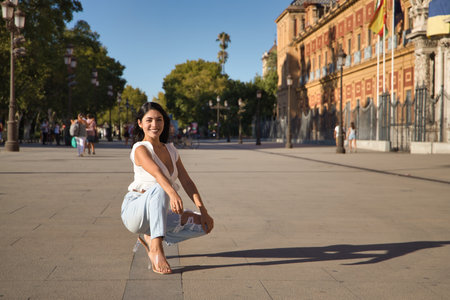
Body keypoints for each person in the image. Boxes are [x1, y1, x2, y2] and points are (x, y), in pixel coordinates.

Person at [121, 102, 214, 275]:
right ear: (140, 123)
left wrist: (203, 209)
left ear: (164, 122)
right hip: (136, 211)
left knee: (205, 225)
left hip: (161, 212)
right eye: (149, 120)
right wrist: (172, 193)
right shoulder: (140, 148)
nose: (155, 125)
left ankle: (154, 235)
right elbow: (157, 174)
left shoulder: (171, 149)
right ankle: (156, 248)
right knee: (160, 188)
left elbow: (187, 181)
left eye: (159, 120)